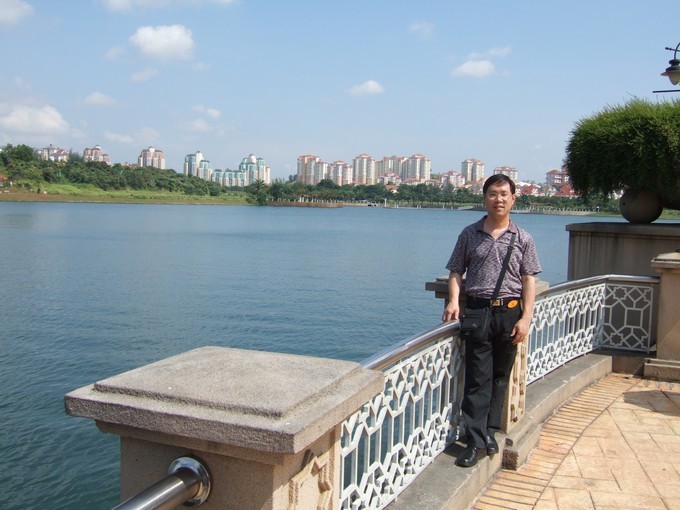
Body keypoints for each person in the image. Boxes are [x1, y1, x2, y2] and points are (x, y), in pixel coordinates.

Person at [442, 174, 541, 468]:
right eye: (493, 194)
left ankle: (489, 432)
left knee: (500, 377)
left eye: (504, 194)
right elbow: (456, 271)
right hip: (477, 312)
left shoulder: (523, 238)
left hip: (509, 313)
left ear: (513, 199)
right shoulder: (469, 234)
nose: (499, 199)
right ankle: (474, 440)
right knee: (477, 379)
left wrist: (526, 318)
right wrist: (453, 300)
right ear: (485, 198)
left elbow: (528, 280)